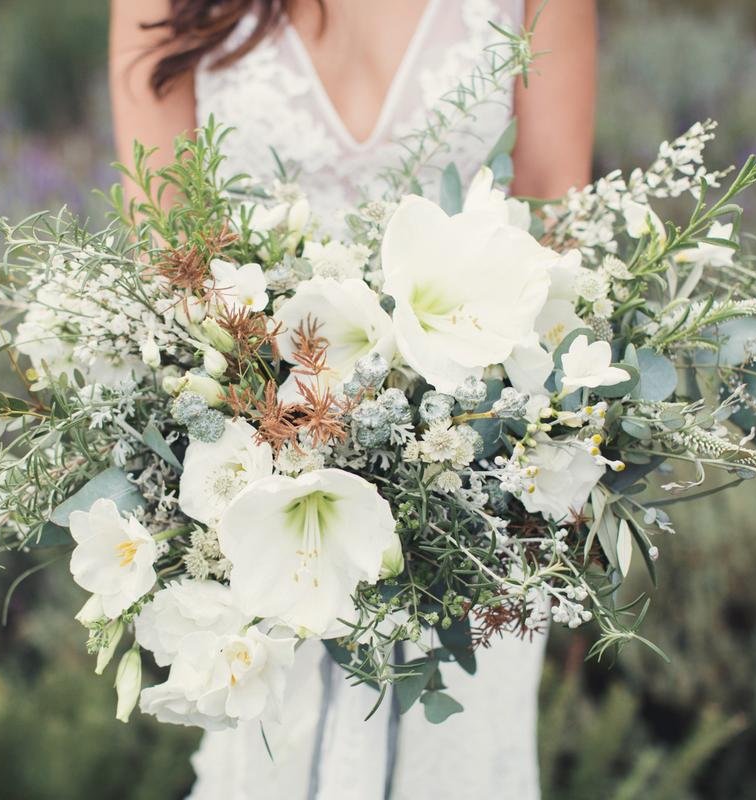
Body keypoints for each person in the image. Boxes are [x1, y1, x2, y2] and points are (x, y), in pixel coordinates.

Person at [109, 2, 596, 796]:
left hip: (467, 492)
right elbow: (169, 261)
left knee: (460, 763)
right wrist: (281, 433)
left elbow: (554, 233)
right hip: (258, 501)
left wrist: (448, 453)